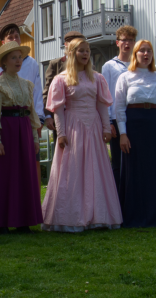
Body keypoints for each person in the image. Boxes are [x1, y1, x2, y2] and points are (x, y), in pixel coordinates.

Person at [43, 37, 122, 232]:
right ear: (71, 53)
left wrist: (106, 128)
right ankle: (71, 216)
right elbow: (58, 110)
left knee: (96, 169)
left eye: (87, 51)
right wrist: (60, 134)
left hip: (93, 128)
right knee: (73, 170)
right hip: (72, 128)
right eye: (81, 51)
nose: (86, 54)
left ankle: (98, 215)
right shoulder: (61, 79)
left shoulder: (97, 78)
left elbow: (102, 105)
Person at [114, 40, 156, 228]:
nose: (146, 54)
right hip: (133, 127)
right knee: (134, 172)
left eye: (149, 51)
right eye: (142, 51)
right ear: (135, 54)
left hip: (153, 127)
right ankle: (134, 216)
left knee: (154, 171)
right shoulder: (125, 77)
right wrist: (123, 134)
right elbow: (119, 108)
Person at [0, 41, 43, 234]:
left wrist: (35, 139)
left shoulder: (27, 84)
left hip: (24, 130)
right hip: (7, 132)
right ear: (4, 62)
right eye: (14, 57)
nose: (18, 60)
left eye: (20, 57)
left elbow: (32, 112)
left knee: (24, 173)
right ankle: (1, 221)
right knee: (5, 174)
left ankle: (23, 220)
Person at [101, 25, 137, 193]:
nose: (127, 44)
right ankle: (118, 200)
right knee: (118, 161)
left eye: (130, 40)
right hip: (115, 117)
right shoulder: (109, 66)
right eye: (124, 40)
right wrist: (108, 121)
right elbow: (105, 94)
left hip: (135, 117)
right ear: (117, 43)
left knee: (135, 159)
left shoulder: (139, 65)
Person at [0, 23, 45, 126]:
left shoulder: (31, 63)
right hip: (5, 118)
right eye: (10, 38)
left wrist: (39, 118)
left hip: (27, 117)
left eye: (16, 37)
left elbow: (36, 92)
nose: (14, 40)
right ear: (3, 42)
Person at [42, 30, 85, 138]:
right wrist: (48, 115)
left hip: (84, 117)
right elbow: (47, 92)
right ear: (66, 45)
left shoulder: (89, 68)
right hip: (61, 116)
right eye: (73, 43)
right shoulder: (55, 64)